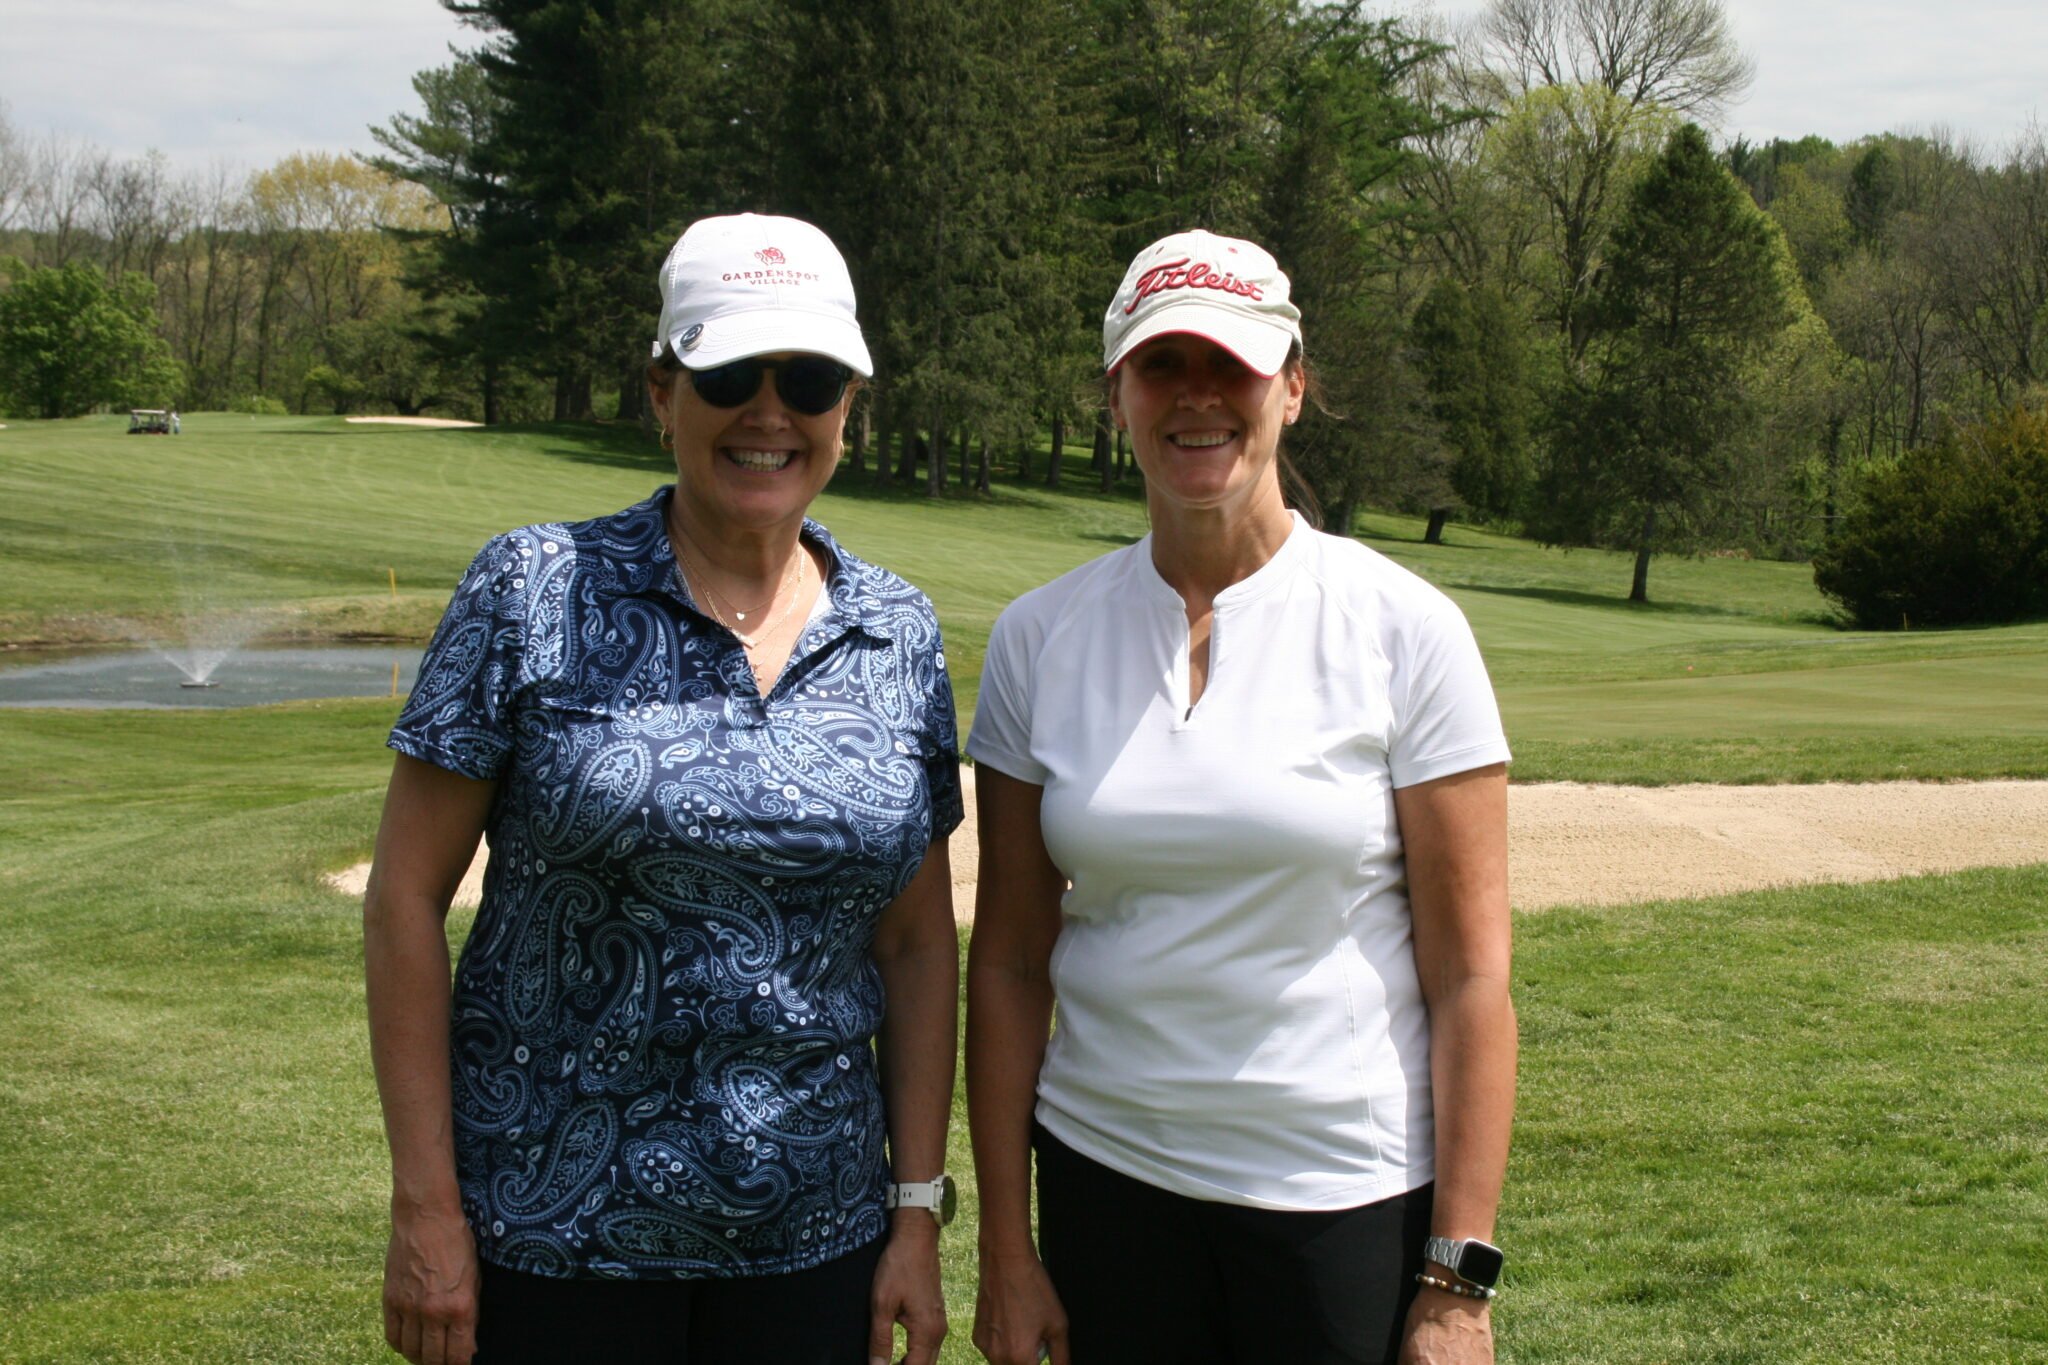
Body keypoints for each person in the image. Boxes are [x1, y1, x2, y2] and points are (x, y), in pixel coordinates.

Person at [364, 213, 962, 1365]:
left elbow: (916, 948)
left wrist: (916, 1211)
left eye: (811, 378)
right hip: (549, 1230)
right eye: (729, 372)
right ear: (660, 390)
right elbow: (403, 904)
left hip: (815, 1237)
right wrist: (424, 1206)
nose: (770, 411)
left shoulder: (897, 631)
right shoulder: (531, 588)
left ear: (850, 403)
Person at [965, 229, 1515, 1365]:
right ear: (1116, 391)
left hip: (1337, 1197)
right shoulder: (1038, 636)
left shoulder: (1404, 630)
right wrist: (1008, 1257)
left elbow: (1470, 977)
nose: (1198, 397)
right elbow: (1010, 959)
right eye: (1162, 365)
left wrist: (1457, 1283)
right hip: (1103, 1185)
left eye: (1234, 365)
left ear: (1294, 387)